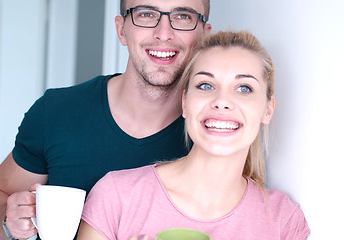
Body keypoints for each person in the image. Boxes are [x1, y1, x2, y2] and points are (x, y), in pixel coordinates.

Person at [0, 0, 212, 239]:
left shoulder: (215, 135)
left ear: (205, 35)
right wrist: (10, 221)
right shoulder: (57, 111)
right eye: (146, 14)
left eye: (183, 16)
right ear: (121, 30)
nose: (164, 33)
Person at [77, 31, 311, 240]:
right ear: (185, 103)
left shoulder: (283, 220)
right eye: (206, 85)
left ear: (267, 109)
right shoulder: (116, 196)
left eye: (244, 88)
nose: (222, 101)